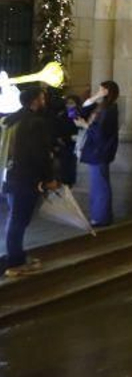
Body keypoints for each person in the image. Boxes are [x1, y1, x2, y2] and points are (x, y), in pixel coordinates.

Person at [4, 85, 58, 277]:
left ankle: (16, 255)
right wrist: (49, 179)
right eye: (42, 98)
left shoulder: (12, 119)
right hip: (25, 178)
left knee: (16, 217)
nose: (44, 101)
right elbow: (41, 154)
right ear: (35, 100)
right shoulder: (36, 123)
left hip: (9, 176)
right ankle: (15, 262)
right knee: (19, 219)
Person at [78, 81, 120, 226]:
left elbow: (101, 132)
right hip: (97, 150)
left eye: (101, 89)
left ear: (108, 91)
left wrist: (85, 126)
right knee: (98, 184)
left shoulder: (110, 109)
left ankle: (101, 217)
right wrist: (95, 96)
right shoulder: (101, 106)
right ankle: (100, 215)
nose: (99, 91)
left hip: (100, 150)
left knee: (100, 185)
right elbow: (83, 110)